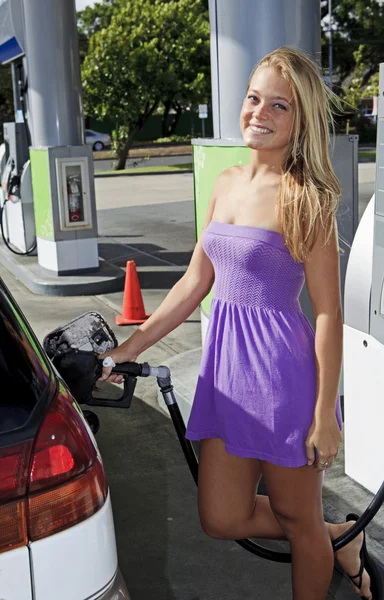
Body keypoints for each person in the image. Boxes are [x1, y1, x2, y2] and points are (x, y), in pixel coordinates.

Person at [100, 46, 372, 600]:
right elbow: (194, 281)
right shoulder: (224, 182)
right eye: (254, 99)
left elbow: (327, 312)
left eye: (280, 106)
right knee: (221, 516)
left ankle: (323, 542)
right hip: (226, 377)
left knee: (298, 521)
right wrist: (131, 348)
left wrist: (325, 414)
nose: (260, 114)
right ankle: (340, 535)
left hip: (285, 381)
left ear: (302, 121)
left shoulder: (307, 198)